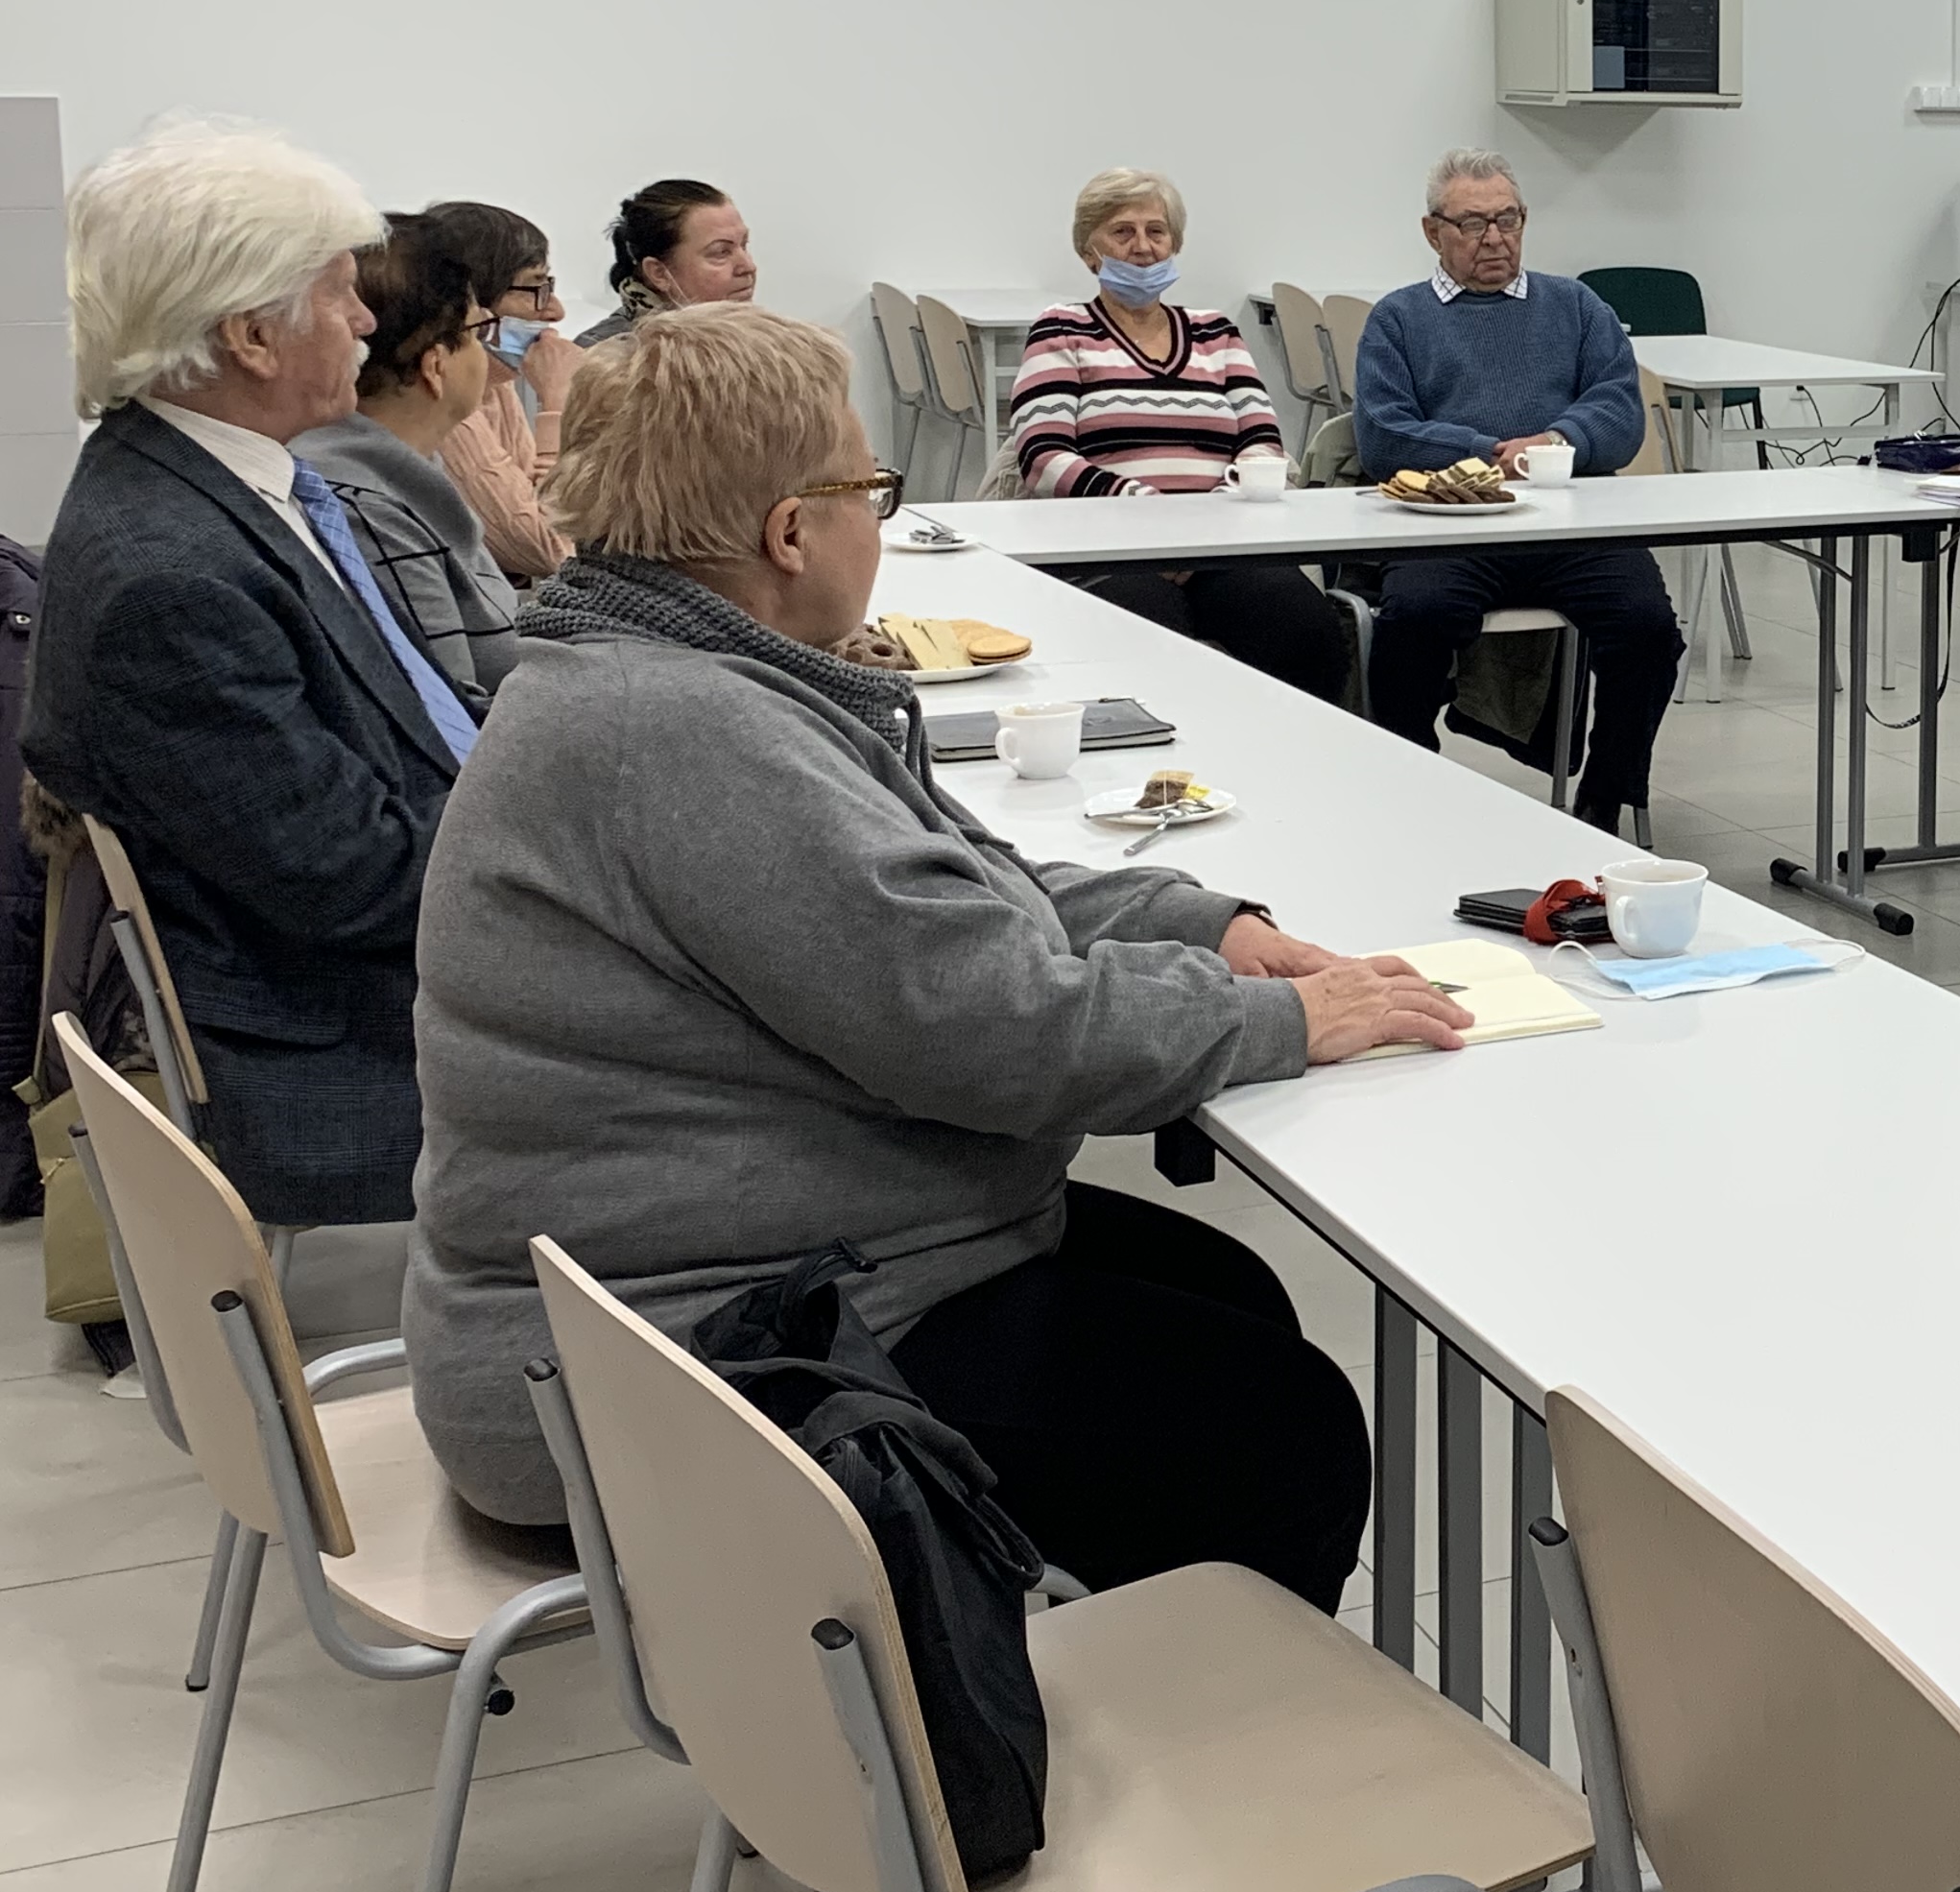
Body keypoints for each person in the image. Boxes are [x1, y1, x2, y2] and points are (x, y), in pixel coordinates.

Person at [403, 303, 1472, 1622]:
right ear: (790, 534)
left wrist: (1202, 925)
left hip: (698, 1287)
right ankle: (1114, 1733)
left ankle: (1112, 1658)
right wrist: (1286, 1019)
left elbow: (961, 885)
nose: (879, 519)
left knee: (1227, 1293)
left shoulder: (674, 671)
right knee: (1277, 1433)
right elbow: (1008, 1038)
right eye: (869, 489)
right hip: (679, 1361)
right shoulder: (685, 733)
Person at [21, 123, 471, 1231]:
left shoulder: (221, 487)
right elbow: (359, 882)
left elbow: (410, 731)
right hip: (368, 1062)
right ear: (252, 336)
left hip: (391, 976)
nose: (366, 320)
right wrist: (586, 857)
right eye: (339, 292)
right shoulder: (166, 582)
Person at [1353, 150, 1682, 828]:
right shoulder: (1398, 318)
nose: (1495, 238)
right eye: (1473, 224)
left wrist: (1557, 440)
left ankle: (1605, 798)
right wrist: (1491, 455)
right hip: (1450, 525)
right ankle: (1409, 787)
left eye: (1508, 219)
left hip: (1568, 525)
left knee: (1647, 629)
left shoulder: (1576, 306)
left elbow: (1621, 411)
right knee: (1412, 621)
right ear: (1433, 232)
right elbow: (1384, 435)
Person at [1005, 167, 1352, 706]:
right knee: (1149, 637)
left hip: (1218, 547)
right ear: (1089, 252)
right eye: (1122, 232)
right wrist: (1148, 514)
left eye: (1157, 231)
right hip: (1108, 549)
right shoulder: (1063, 329)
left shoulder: (1216, 331)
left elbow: (1263, 442)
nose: (1142, 247)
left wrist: (1203, 524)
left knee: (1306, 629)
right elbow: (1042, 455)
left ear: (1175, 244)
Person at [294, 215, 525, 700]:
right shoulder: (366, 509)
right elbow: (449, 712)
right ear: (435, 366)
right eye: (479, 331)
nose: (486, 353)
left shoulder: (402, 473)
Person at [419, 199, 575, 582]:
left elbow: (539, 506)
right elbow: (551, 549)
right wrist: (558, 404)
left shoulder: (495, 383)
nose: (556, 310)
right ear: (474, 306)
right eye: (536, 287)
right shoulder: (439, 399)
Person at [574, 178, 753, 346]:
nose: (748, 267)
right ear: (659, 273)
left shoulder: (753, 337)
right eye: (721, 252)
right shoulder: (603, 358)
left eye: (744, 245)